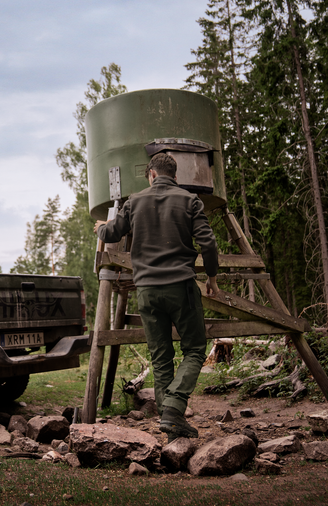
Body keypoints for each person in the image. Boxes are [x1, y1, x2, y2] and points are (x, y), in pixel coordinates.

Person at [94, 152, 219, 441]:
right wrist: (212, 278)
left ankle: (169, 420)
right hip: (181, 287)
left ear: (151, 175)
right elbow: (208, 244)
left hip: (147, 291)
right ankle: (174, 410)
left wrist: (101, 227)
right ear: (176, 177)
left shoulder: (134, 201)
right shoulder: (190, 200)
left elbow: (113, 232)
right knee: (195, 349)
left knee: (161, 357)